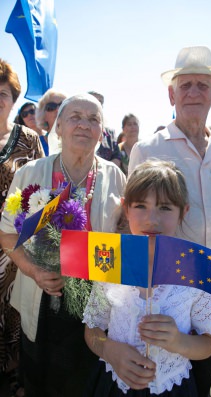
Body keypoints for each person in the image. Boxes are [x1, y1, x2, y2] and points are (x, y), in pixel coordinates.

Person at [128, 46, 211, 397]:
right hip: (167, 298)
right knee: (164, 385)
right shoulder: (148, 149)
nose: (193, 92)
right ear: (171, 94)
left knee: (204, 381)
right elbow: (135, 221)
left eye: (202, 85)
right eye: (185, 85)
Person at [0, 93, 126, 397]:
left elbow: (126, 241)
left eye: (93, 119)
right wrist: (32, 271)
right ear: (58, 127)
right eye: (75, 117)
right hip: (40, 300)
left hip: (94, 307)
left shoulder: (117, 177)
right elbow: (6, 234)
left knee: (85, 383)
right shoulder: (30, 173)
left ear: (101, 131)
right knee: (39, 381)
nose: (84, 125)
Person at [83, 159, 211, 397]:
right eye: (140, 206)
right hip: (114, 386)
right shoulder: (111, 263)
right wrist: (110, 351)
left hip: (173, 387)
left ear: (183, 212)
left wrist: (179, 341)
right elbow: (92, 329)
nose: (152, 219)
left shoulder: (197, 271)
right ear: (126, 209)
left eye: (165, 207)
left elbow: (208, 342)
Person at [0, 59, 44, 396]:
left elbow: (41, 191)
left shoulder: (29, 140)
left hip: (14, 243)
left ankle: (14, 378)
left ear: (13, 99)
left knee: (12, 310)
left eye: (3, 93)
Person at [88, 90, 121, 166]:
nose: (98, 104)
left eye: (100, 102)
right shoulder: (79, 128)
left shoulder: (110, 133)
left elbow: (117, 157)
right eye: (94, 100)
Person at [35, 88, 67, 155]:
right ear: (43, 115)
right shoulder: (35, 146)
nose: (58, 110)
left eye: (62, 105)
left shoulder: (78, 142)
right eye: (51, 107)